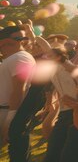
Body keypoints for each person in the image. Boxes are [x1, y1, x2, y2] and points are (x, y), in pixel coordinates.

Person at [0, 25, 37, 159]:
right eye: (19, 38)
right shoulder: (14, 58)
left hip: (6, 112)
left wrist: (9, 121)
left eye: (22, 38)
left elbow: (18, 90)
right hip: (5, 111)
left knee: (17, 154)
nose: (23, 41)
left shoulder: (20, 57)